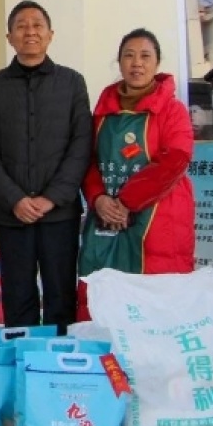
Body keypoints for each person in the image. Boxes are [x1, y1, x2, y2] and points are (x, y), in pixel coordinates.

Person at [0, 0, 92, 332]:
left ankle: (57, 359)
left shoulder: (72, 83)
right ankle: (21, 356)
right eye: (21, 26)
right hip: (12, 214)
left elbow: (81, 144)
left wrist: (51, 197)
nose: (30, 32)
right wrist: (15, 199)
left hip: (60, 213)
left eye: (37, 25)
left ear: (50, 34)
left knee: (61, 296)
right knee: (17, 296)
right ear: (9, 37)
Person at [75, 28, 195, 321]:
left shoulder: (173, 111)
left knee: (156, 308)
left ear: (157, 63)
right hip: (106, 218)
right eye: (129, 56)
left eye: (145, 56)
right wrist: (98, 198)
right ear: (119, 62)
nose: (137, 63)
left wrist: (126, 202)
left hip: (159, 219)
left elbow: (175, 160)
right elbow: (89, 160)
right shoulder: (103, 113)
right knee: (104, 300)